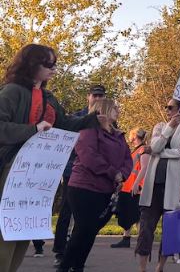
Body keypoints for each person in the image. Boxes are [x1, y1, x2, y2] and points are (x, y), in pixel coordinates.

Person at [0, 44, 101, 272]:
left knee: (23, 231)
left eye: (54, 64)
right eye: (48, 64)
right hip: (12, 169)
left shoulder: (47, 96)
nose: (53, 69)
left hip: (37, 171)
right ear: (31, 64)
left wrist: (93, 118)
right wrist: (32, 130)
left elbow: (64, 124)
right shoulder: (12, 91)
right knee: (7, 231)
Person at [56, 98, 132, 272]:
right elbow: (88, 156)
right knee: (83, 228)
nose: (118, 110)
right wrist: (113, 172)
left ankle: (78, 266)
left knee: (91, 231)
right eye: (114, 108)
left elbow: (127, 158)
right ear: (104, 109)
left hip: (105, 189)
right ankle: (64, 266)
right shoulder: (89, 129)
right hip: (83, 187)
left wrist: (122, 174)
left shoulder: (118, 135)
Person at [135, 99, 180, 272]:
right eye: (166, 107)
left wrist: (159, 153)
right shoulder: (160, 126)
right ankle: (142, 268)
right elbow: (155, 146)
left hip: (173, 187)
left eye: (170, 107)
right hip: (153, 186)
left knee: (170, 230)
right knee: (146, 228)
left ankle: (160, 267)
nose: (167, 110)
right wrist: (169, 128)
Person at [53, 85, 104, 265]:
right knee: (67, 211)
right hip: (73, 169)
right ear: (88, 97)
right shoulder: (77, 117)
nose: (98, 99)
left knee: (85, 216)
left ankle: (75, 254)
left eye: (101, 96)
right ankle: (60, 251)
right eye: (95, 95)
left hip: (95, 172)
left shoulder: (106, 120)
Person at [111, 128, 150, 249]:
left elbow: (144, 168)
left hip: (135, 188)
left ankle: (141, 239)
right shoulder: (136, 150)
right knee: (128, 214)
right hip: (128, 187)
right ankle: (127, 238)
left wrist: (137, 184)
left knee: (136, 215)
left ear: (134, 136)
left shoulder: (143, 150)